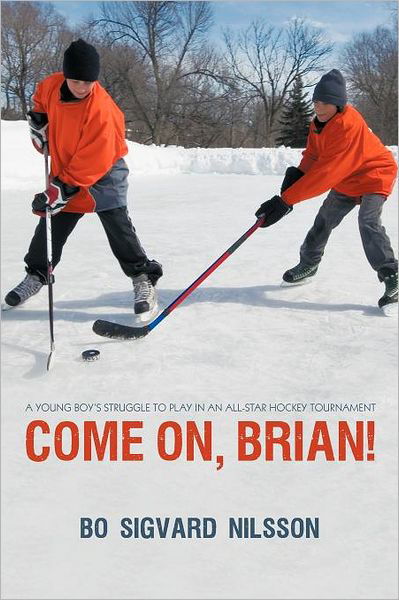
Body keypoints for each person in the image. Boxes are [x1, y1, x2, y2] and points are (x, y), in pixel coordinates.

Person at [3, 39, 162, 315]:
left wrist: (61, 189)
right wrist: (39, 120)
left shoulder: (103, 111)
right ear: (66, 76)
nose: (82, 87)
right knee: (53, 221)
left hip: (105, 172)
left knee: (116, 223)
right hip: (68, 165)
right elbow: (40, 98)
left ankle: (142, 276)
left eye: (88, 82)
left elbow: (95, 159)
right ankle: (38, 274)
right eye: (76, 81)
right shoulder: (51, 86)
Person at [255, 69, 398, 311]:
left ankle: (392, 276)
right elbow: (313, 155)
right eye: (316, 101)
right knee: (324, 220)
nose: (318, 107)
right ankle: (309, 264)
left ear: (339, 105)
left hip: (374, 174)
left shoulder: (347, 127)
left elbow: (326, 174)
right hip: (347, 178)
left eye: (325, 103)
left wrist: (286, 201)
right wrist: (298, 176)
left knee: (368, 221)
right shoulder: (317, 124)